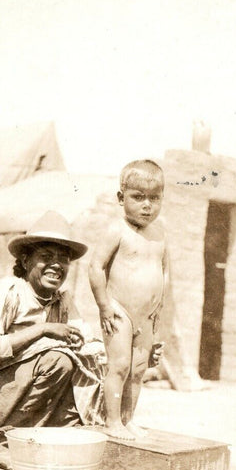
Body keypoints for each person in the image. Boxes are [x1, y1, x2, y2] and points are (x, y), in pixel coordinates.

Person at [0, 211, 104, 470]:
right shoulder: (8, 292)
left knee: (83, 369)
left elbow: (87, 343)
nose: (56, 265)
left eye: (63, 259)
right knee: (58, 361)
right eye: (46, 256)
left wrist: (134, 356)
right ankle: (2, 447)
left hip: (2, 410)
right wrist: (42, 330)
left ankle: (17, 442)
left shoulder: (62, 301)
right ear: (25, 260)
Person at [88, 159, 167, 440]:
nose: (147, 206)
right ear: (121, 198)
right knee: (120, 366)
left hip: (147, 314)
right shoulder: (117, 230)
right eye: (138, 197)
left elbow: (164, 270)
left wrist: (159, 305)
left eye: (154, 198)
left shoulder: (160, 234)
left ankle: (128, 418)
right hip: (119, 311)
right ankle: (112, 422)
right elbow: (95, 267)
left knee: (138, 369)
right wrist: (104, 306)